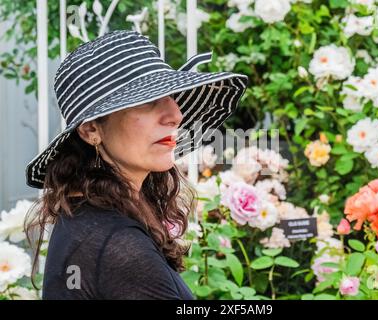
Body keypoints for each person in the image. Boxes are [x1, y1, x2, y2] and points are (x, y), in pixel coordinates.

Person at [24, 30, 248, 300]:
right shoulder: (118, 245)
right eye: (147, 100)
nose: (175, 115)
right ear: (91, 129)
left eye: (171, 95)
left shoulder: (86, 221)